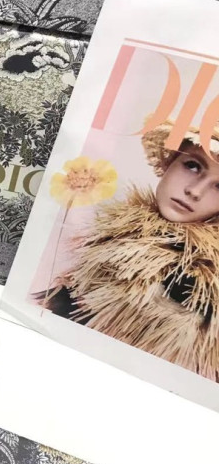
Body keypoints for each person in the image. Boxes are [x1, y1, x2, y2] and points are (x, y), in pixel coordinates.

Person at [40, 121, 219, 381]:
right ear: (170, 162)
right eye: (193, 165)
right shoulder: (117, 235)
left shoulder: (201, 276)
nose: (194, 191)